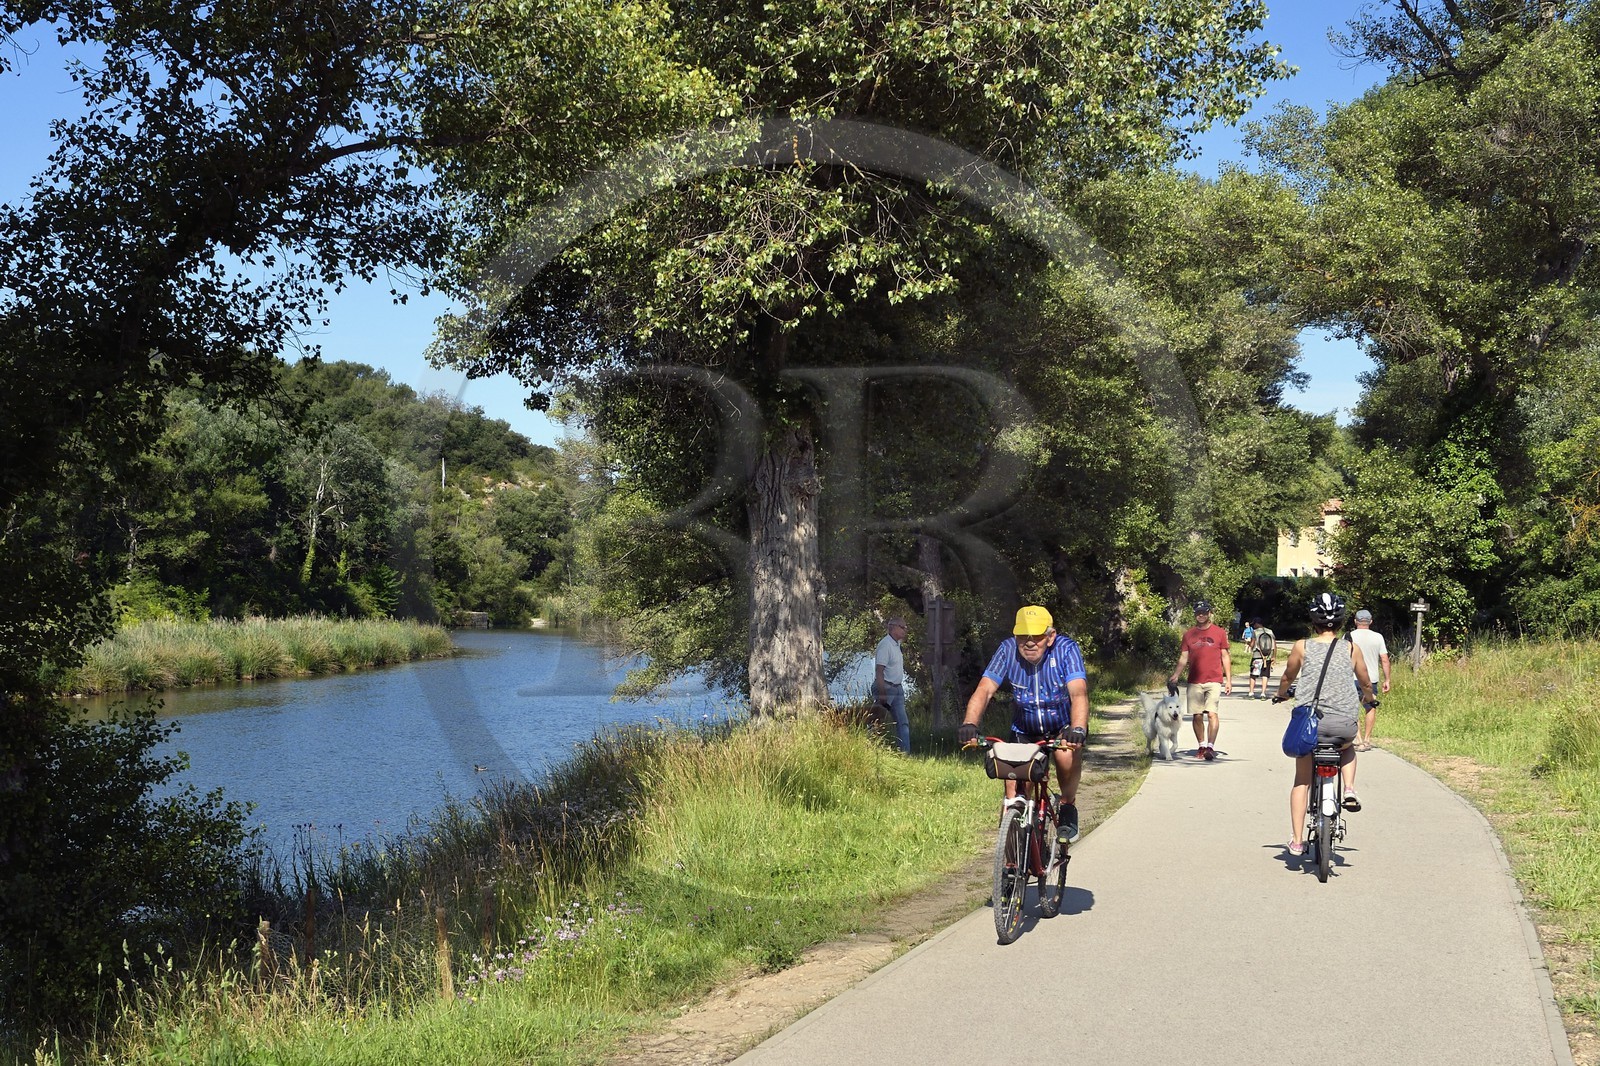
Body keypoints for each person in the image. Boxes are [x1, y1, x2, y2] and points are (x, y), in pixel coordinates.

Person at [956, 605, 1089, 844]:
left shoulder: (1066, 649)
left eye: (1036, 636)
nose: (1029, 642)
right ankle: (1011, 861)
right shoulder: (1007, 650)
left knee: (1066, 757)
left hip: (1061, 728)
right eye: (1022, 636)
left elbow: (1078, 693)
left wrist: (1078, 728)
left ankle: (1068, 806)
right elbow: (985, 689)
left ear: (1050, 637)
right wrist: (970, 724)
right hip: (1023, 731)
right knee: (1014, 793)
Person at [1275, 592, 1377, 855]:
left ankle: (1297, 841)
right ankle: (1350, 789)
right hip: (1343, 724)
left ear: (1313, 621)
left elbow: (1288, 676)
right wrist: (1369, 698)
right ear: (1342, 622)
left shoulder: (1302, 646)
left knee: (1302, 781)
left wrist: (1281, 693)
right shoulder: (1350, 648)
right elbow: (1365, 680)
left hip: (1310, 726)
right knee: (1348, 746)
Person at [1167, 599, 1231, 760]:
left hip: (1214, 680)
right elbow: (1184, 657)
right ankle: (1201, 745)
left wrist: (1228, 679)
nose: (1201, 615)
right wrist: (1176, 674)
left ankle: (1211, 746)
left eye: (1204, 612)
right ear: (1195, 614)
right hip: (1195, 680)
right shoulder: (1189, 635)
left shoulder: (1219, 633)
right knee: (1197, 715)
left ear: (1209, 613)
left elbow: (1225, 656)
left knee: (1212, 713)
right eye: (1198, 612)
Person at [1348, 609, 1392, 751]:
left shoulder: (1349, 636)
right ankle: (1367, 740)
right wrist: (1387, 679)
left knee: (1353, 708)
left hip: (1352, 677)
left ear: (1355, 621)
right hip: (1371, 678)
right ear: (1371, 622)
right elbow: (1384, 659)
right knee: (1370, 707)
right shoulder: (1378, 637)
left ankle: (1358, 739)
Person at [873, 616, 911, 753]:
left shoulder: (896, 644)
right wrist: (882, 692)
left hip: (897, 688)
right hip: (887, 687)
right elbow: (879, 670)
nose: (905, 630)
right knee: (877, 721)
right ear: (893, 627)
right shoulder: (885, 645)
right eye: (902, 627)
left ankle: (905, 754)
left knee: (903, 722)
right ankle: (871, 748)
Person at [1247, 620, 1277, 700]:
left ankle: (1251, 693)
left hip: (1257, 656)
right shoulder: (1270, 631)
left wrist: (1248, 643)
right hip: (1267, 656)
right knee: (1265, 675)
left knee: (1253, 675)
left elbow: (1253, 644)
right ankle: (1263, 694)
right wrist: (1274, 656)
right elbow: (1274, 644)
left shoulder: (1255, 632)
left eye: (1254, 624)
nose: (1254, 626)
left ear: (1257, 623)